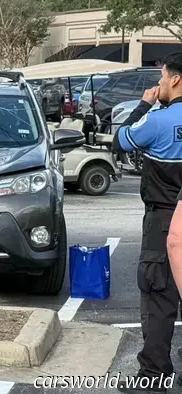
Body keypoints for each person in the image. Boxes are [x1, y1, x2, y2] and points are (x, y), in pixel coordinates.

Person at [112, 52, 182, 393]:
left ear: (176, 79)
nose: (158, 84)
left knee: (158, 295)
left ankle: (154, 376)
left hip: (165, 220)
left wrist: (144, 104)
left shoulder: (158, 120)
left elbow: (121, 140)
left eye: (162, 77)